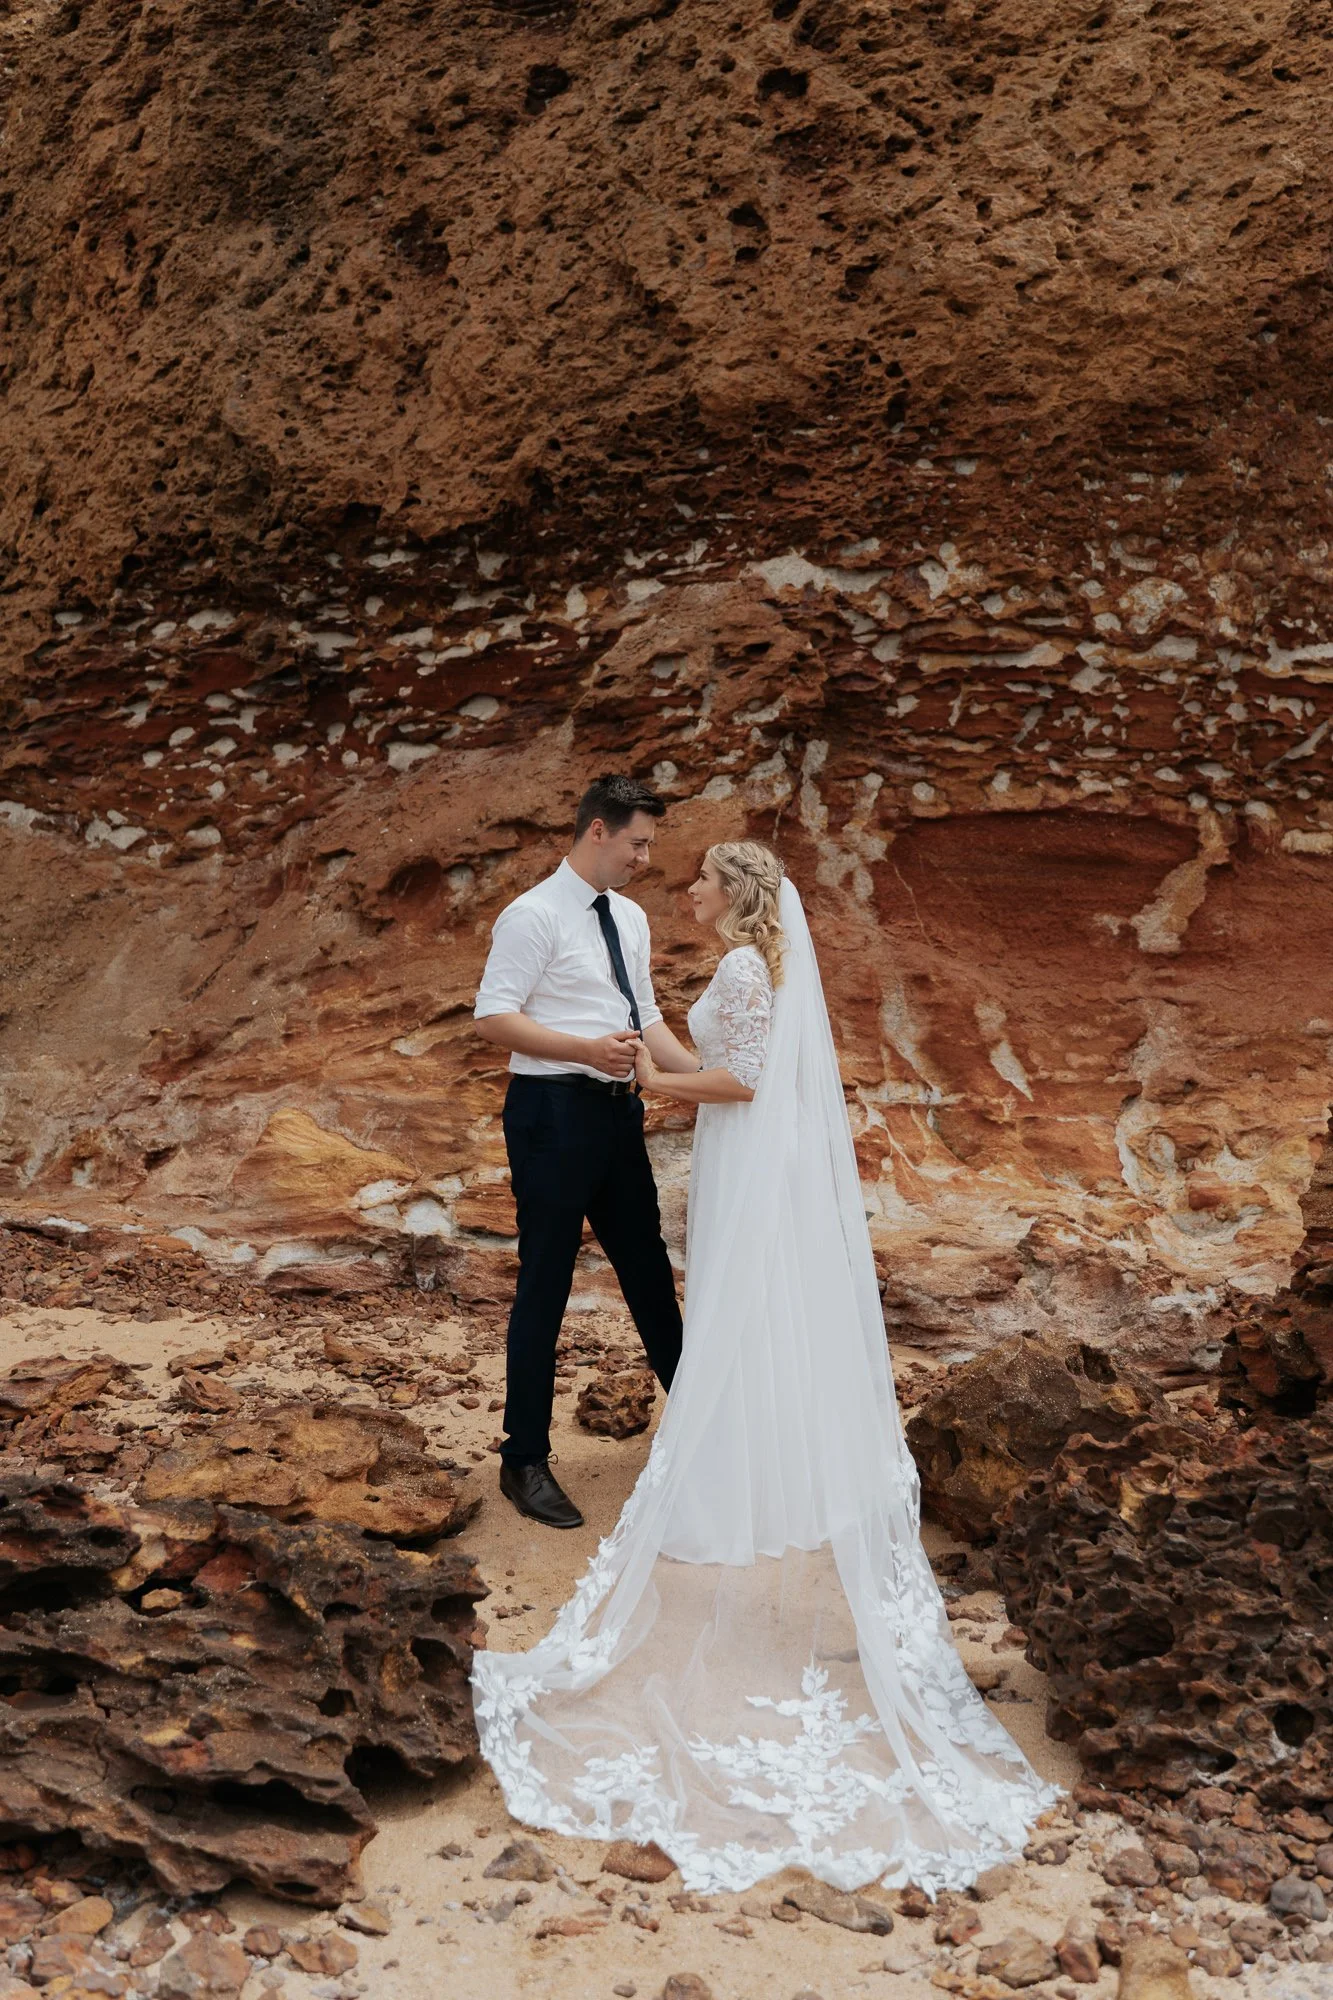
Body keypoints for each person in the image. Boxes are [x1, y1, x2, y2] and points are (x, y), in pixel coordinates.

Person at [472, 839, 1062, 1898]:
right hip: (737, 1157)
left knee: (735, 1310)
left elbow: (737, 1080)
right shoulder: (752, 966)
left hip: (740, 1153)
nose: (683, 887)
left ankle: (725, 1476)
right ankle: (753, 1460)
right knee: (739, 1316)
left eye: (698, 877)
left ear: (734, 895)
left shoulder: (746, 969)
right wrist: (643, 1048)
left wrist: (652, 1073)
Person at [473, 773, 703, 1530]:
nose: (645, 857)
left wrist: (706, 1083)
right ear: (596, 830)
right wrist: (583, 1050)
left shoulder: (630, 918)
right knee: (546, 1278)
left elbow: (647, 1014)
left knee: (648, 1273)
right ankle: (524, 1458)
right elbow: (493, 1018)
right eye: (637, 841)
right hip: (549, 1112)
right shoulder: (531, 915)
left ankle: (704, 1432)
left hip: (617, 1113)